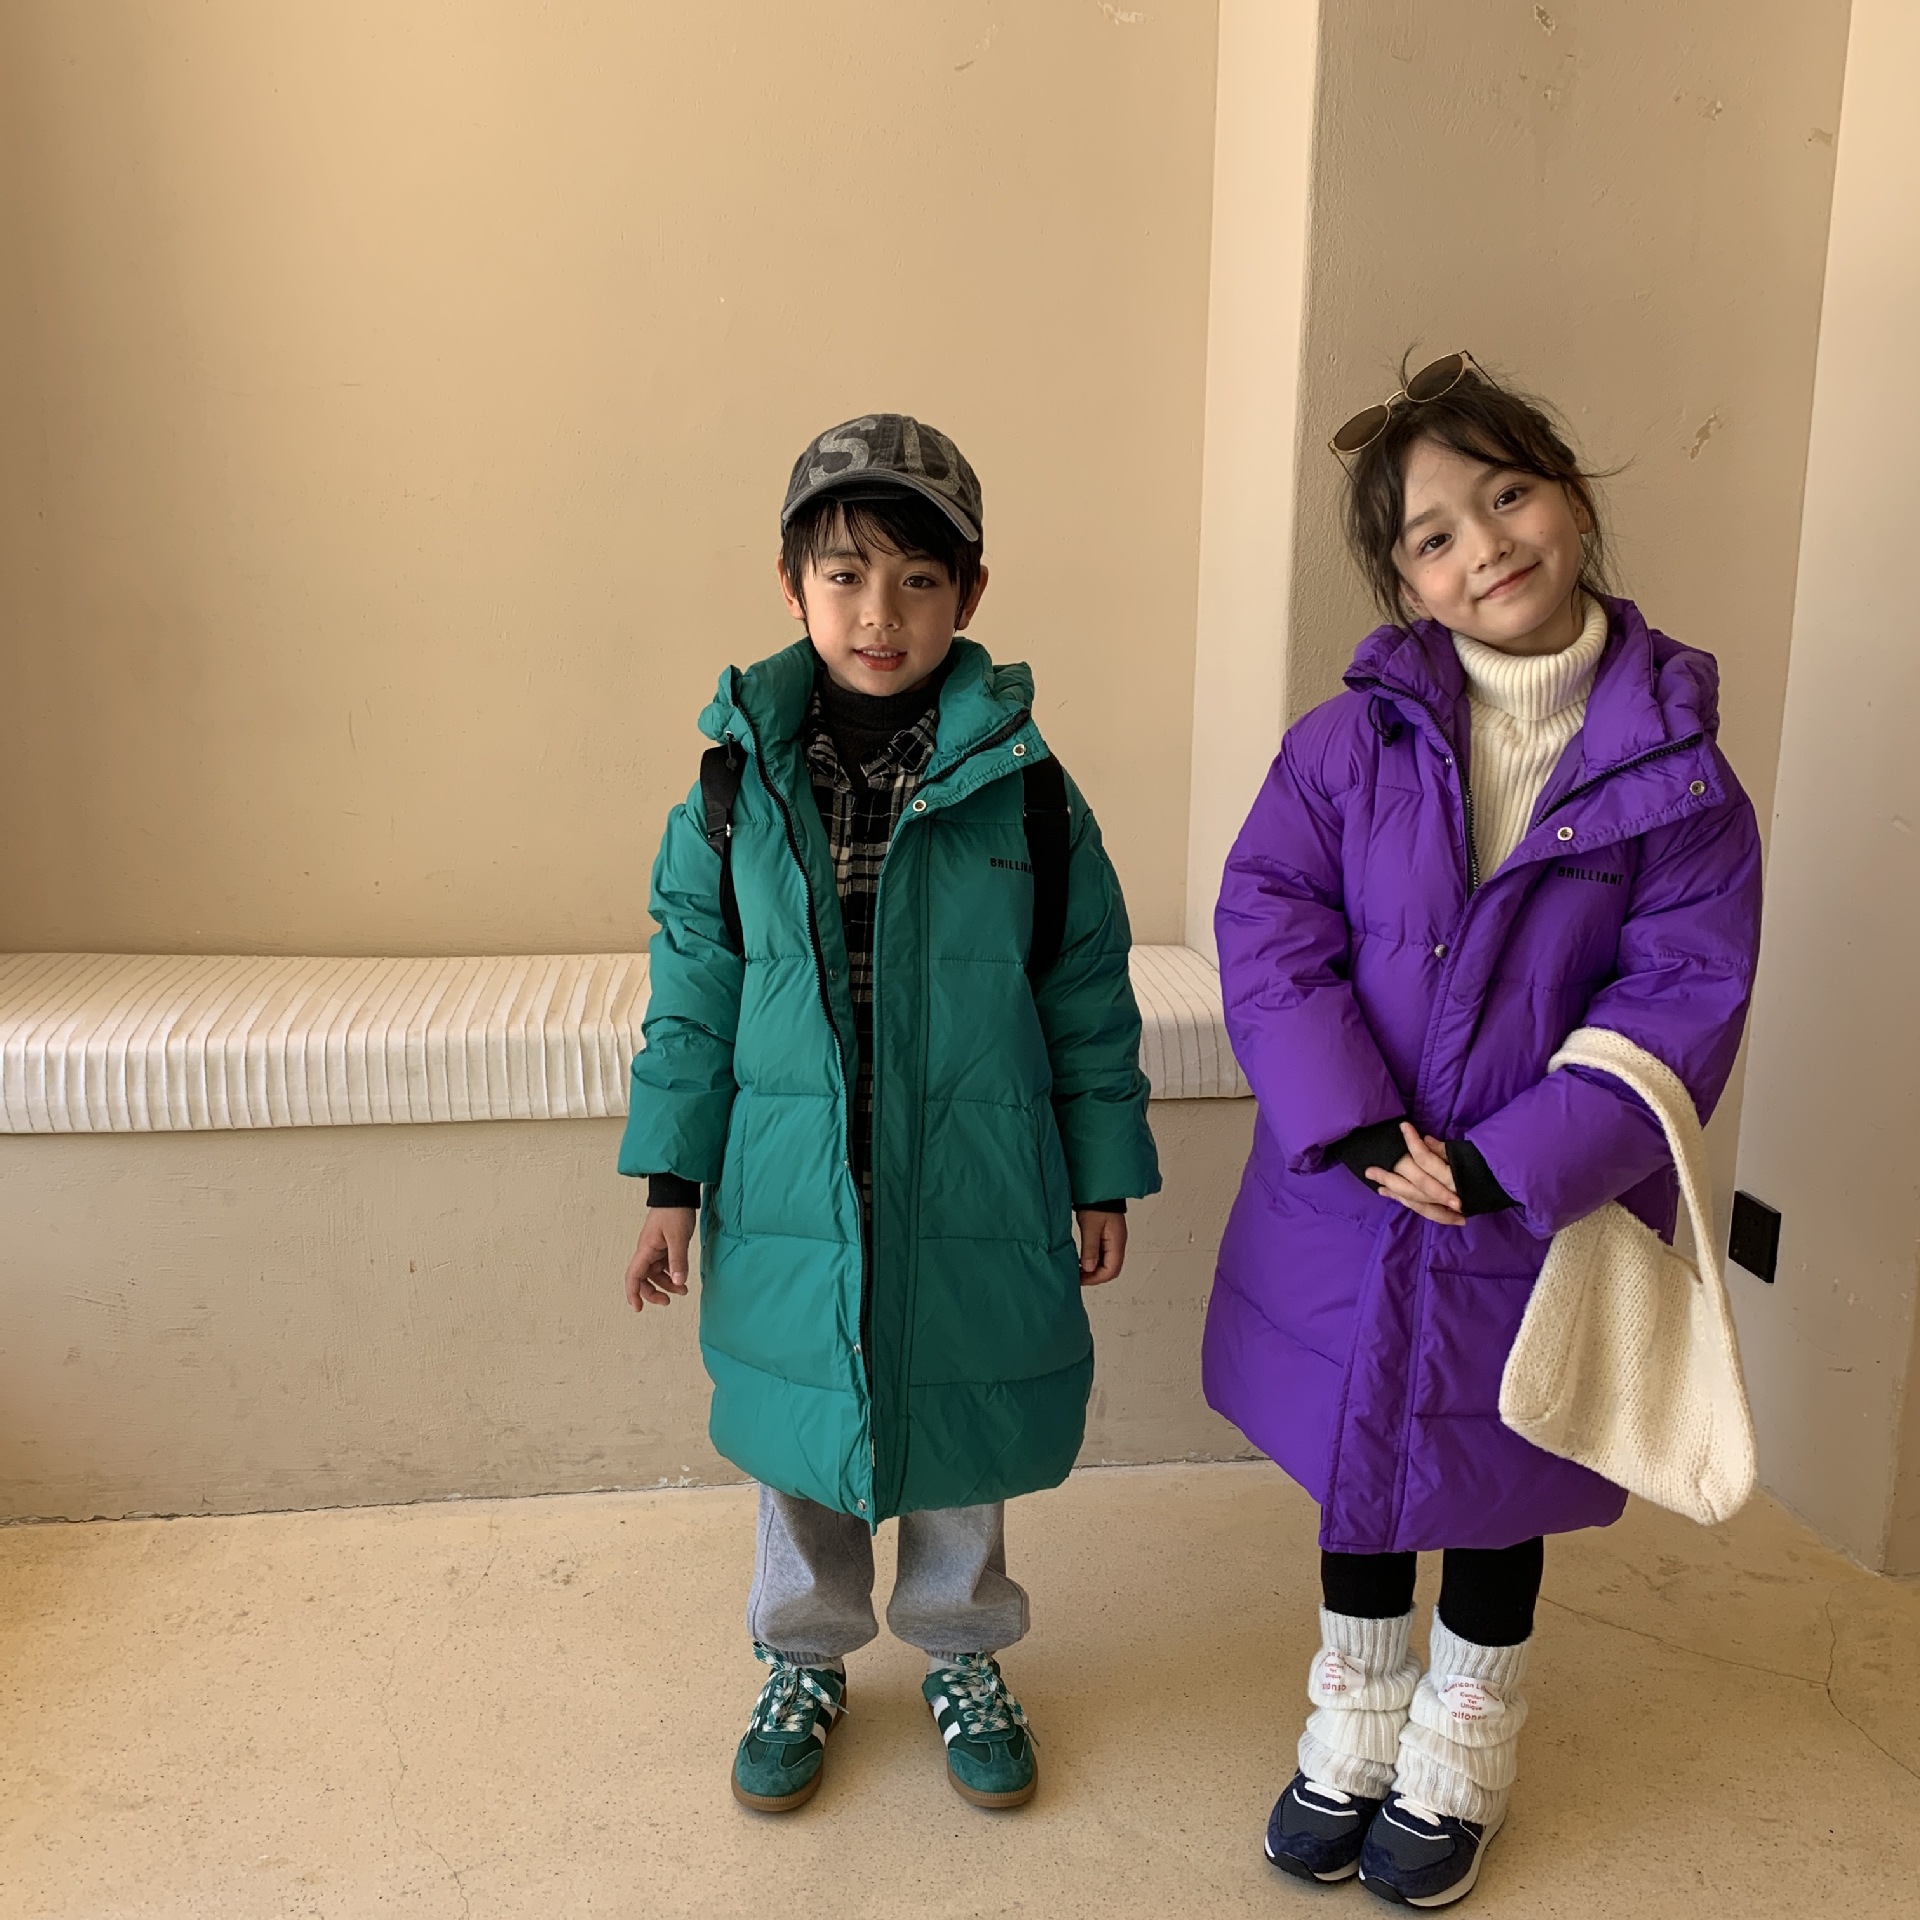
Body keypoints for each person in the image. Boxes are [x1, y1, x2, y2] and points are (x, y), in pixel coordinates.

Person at [1204, 354, 1762, 1906]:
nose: (1486, 546)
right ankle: (1353, 1716)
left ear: (1571, 500)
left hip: (1532, 1205)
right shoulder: (1345, 745)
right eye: (1436, 535)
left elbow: (1681, 994)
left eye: (1507, 495)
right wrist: (1349, 1116)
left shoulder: (1684, 785)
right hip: (1360, 1184)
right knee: (1363, 1455)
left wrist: (1516, 1161)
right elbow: (1271, 920)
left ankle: (1463, 1742)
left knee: (1501, 1463)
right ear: (1408, 585)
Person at [618, 413, 1160, 1816]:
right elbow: (695, 996)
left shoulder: (1027, 793)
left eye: (919, 580)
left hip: (973, 1172)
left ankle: (963, 1648)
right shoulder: (733, 790)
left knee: (961, 1417)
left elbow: (1084, 991)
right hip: (791, 1179)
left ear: (969, 595)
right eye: (847, 574)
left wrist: (1099, 1172)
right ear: (791, 584)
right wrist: (671, 1181)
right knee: (803, 1429)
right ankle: (802, 1655)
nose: (880, 614)